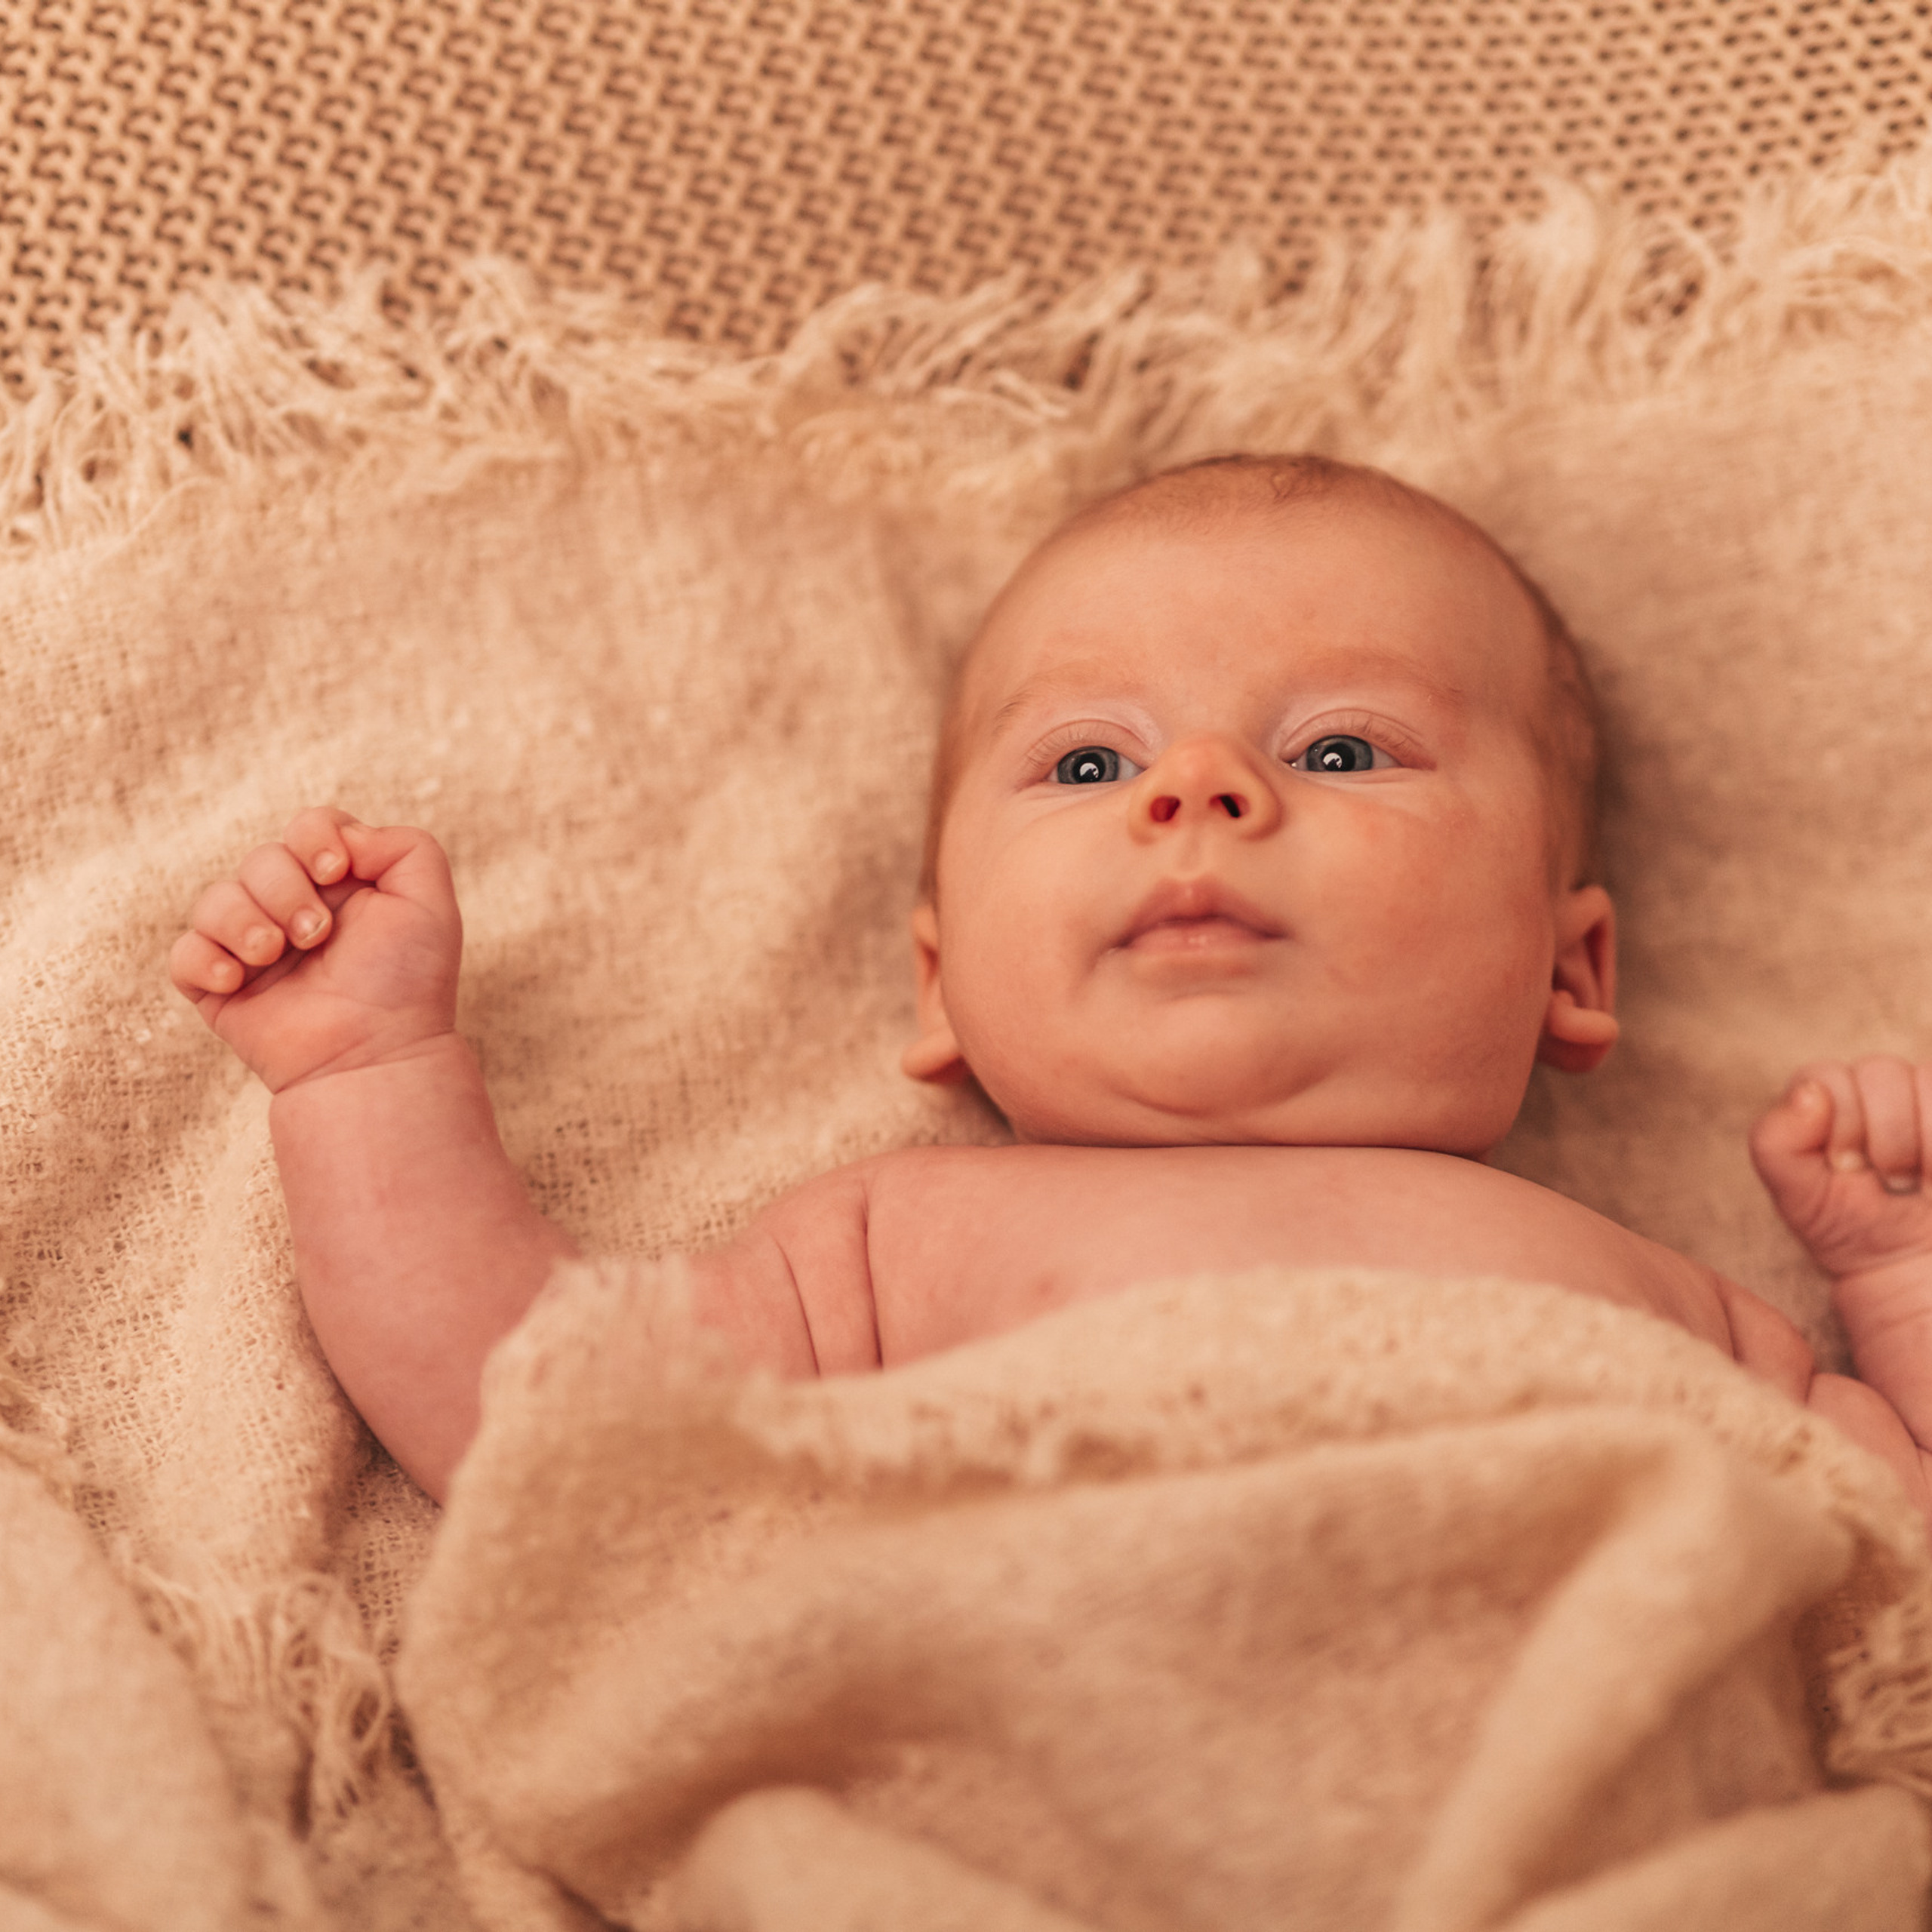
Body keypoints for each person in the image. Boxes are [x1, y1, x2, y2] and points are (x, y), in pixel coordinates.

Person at [166, 454, 1932, 1521]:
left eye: (1338, 747)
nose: (1199, 788)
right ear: (941, 985)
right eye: (1090, 763)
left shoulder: (1674, 1310)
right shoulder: (882, 1246)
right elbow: (534, 1419)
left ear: (1568, 963)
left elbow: (1898, 1560)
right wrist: (367, 1071)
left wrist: (1902, 1277)